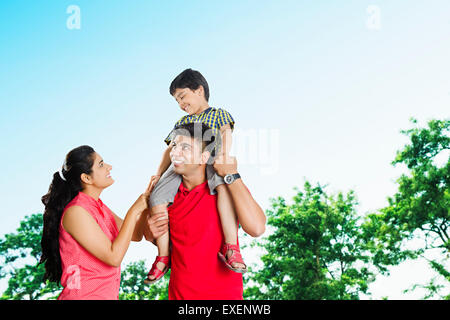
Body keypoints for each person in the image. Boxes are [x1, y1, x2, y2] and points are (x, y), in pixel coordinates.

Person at [145, 68, 247, 283]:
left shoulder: (219, 114)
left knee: (223, 191)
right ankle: (163, 254)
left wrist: (223, 157)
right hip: (181, 165)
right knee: (156, 197)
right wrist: (158, 174)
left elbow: (225, 134)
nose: (181, 104)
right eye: (177, 101)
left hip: (210, 160)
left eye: (182, 96)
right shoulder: (181, 123)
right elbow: (169, 149)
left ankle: (231, 245)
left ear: (199, 90)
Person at [144, 123, 266, 299]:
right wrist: (150, 231)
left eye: (185, 147)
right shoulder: (167, 197)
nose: (176, 152)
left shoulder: (226, 189)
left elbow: (257, 228)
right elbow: (148, 235)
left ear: (203, 157)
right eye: (175, 146)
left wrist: (232, 175)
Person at [40, 145, 157, 300]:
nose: (109, 167)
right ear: (86, 178)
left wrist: (146, 203)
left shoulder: (97, 206)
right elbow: (113, 257)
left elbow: (134, 234)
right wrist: (134, 210)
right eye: (101, 165)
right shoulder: (76, 212)